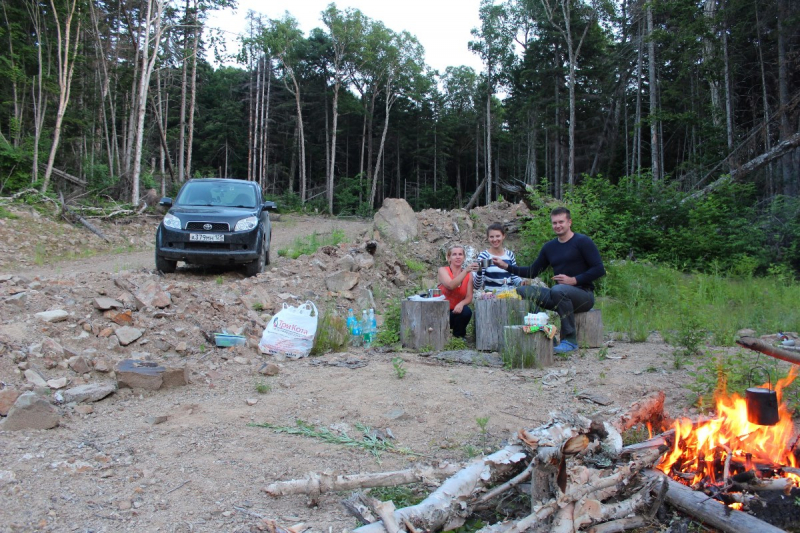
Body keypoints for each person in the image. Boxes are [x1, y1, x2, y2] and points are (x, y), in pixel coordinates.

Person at [493, 207, 605, 353]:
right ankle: (546, 335)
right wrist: (507, 266)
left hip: (583, 295)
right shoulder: (549, 247)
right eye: (554, 223)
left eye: (561, 222)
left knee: (558, 289)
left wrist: (574, 280)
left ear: (569, 222)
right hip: (559, 296)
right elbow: (533, 272)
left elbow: (599, 269)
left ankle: (570, 340)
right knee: (523, 290)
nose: (557, 226)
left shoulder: (583, 242)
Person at [438, 244, 477, 338]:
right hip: (440, 310)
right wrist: (466, 271)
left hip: (456, 310)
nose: (458, 257)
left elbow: (469, 297)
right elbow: (450, 285)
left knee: (466, 311)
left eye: (460, 254)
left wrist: (461, 304)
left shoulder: (469, 275)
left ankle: (458, 337)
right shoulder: (443, 270)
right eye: (454, 254)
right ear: (449, 257)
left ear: (464, 257)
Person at [472, 223, 523, 292]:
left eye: (498, 236)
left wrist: (521, 283)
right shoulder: (484, 256)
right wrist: (479, 271)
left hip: (509, 297)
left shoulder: (510, 255)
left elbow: (514, 277)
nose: (495, 239)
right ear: (488, 238)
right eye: (491, 237)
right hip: (490, 298)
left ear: (503, 236)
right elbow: (477, 286)